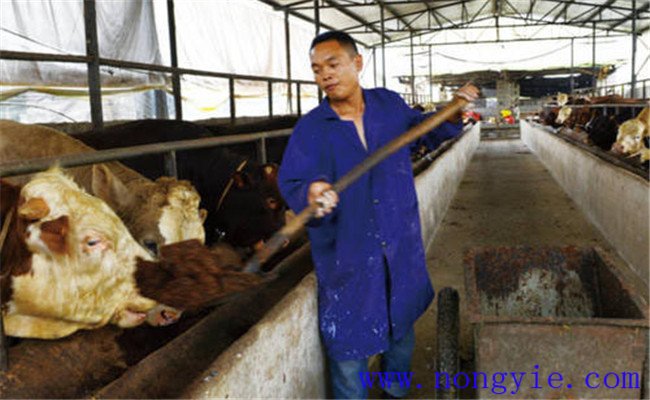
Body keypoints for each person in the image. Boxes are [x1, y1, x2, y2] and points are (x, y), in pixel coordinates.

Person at [277, 31, 479, 399]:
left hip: (399, 242)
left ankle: (395, 393)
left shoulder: (388, 105)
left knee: (400, 333)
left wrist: (454, 109)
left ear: (357, 63)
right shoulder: (311, 128)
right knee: (349, 355)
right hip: (348, 254)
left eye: (333, 64)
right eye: (317, 69)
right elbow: (293, 178)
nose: (325, 74)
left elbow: (427, 133)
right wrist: (312, 191)